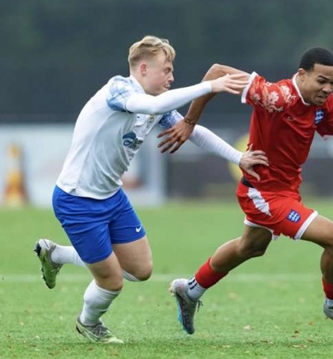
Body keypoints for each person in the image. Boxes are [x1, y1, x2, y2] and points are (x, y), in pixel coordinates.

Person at [33, 35, 268, 344]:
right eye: (166, 70)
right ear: (143, 69)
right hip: (77, 200)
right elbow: (155, 103)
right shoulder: (120, 90)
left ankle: (56, 254)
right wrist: (209, 86)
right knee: (111, 281)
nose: (171, 78)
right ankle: (88, 322)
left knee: (140, 270)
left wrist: (238, 158)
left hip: (112, 197)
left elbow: (190, 130)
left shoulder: (155, 105)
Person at [160, 47, 333, 335]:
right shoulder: (276, 96)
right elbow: (217, 72)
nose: (328, 88)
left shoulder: (324, 103)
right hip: (263, 193)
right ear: (301, 74)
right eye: (321, 80)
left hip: (287, 191)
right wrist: (189, 121)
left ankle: (190, 291)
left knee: (250, 247)